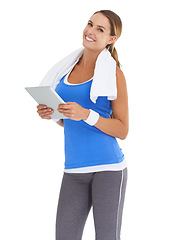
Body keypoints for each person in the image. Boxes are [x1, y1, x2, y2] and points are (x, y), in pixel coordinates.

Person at [37, 10, 129, 240]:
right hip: (74, 170)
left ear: (111, 39)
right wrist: (53, 114)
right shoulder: (65, 70)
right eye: (90, 24)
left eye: (100, 29)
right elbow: (69, 121)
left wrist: (86, 114)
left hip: (108, 169)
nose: (90, 31)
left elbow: (122, 129)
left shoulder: (114, 74)